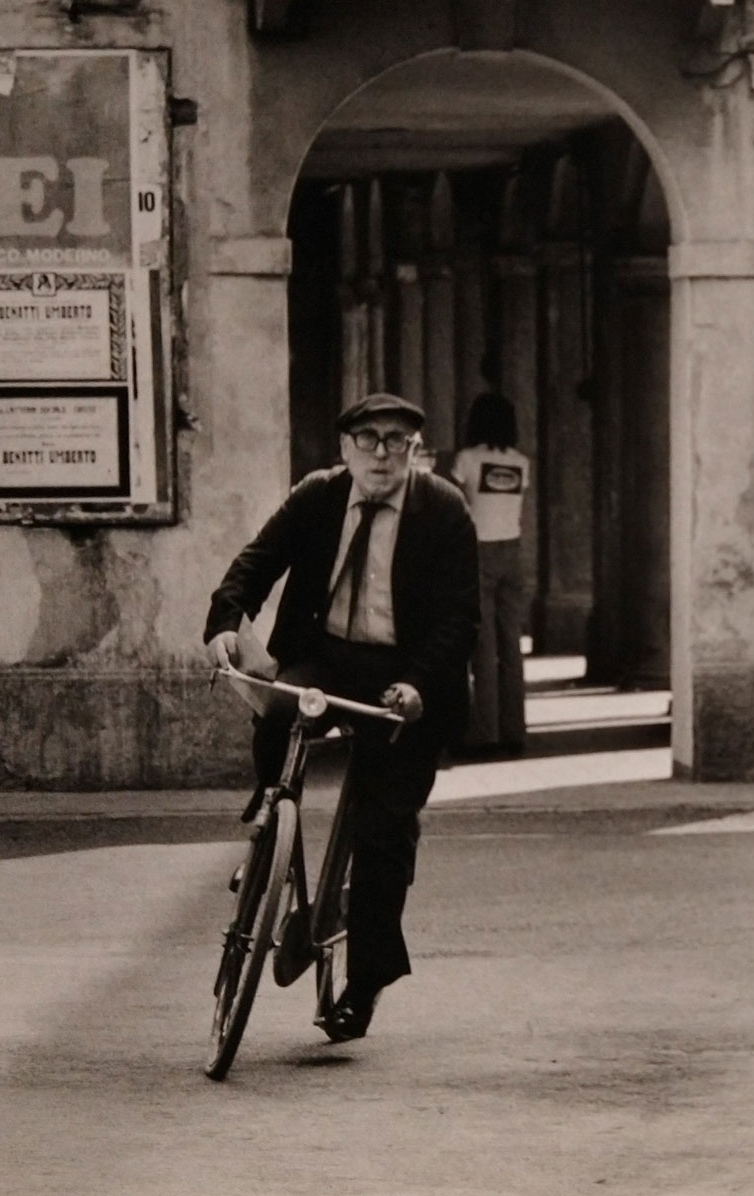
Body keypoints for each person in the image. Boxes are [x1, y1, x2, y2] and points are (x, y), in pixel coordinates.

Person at [204, 392, 480, 1042]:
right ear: (345, 449)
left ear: (416, 451)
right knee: (277, 709)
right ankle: (271, 826)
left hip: (405, 675)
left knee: (384, 835)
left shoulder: (443, 510)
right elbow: (256, 563)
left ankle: (362, 988)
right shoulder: (318, 496)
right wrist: (223, 622)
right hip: (323, 656)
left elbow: (457, 619)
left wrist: (415, 685)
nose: (382, 452)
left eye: (397, 441)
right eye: (369, 439)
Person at [450, 392, 532, 758]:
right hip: (513, 551)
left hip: (478, 551)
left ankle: (484, 735)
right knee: (511, 644)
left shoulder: (467, 459)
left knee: (482, 645)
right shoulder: (520, 463)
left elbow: (455, 501)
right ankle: (514, 733)